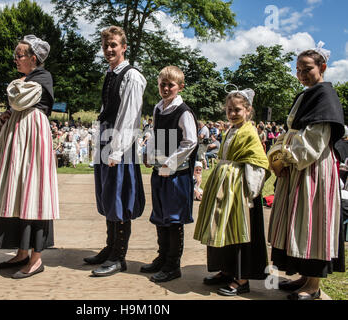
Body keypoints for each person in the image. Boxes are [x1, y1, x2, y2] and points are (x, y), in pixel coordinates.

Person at [267, 42, 345, 300]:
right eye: (298, 69)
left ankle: (313, 286)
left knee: (314, 222)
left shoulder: (325, 95)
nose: (301, 74)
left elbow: (315, 139)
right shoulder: (306, 94)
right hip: (298, 170)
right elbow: (291, 131)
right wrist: (276, 152)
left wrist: (286, 157)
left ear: (322, 67)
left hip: (314, 169)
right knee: (299, 223)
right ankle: (303, 277)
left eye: (307, 69)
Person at [0, 35, 59, 279]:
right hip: (18, 135)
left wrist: (15, 92)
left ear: (34, 58)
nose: (15, 59)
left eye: (19, 55)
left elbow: (18, 98)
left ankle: (36, 259)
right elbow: (15, 104)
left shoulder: (42, 76)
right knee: (18, 192)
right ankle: (21, 252)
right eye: (15, 55)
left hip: (32, 135)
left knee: (33, 192)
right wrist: (8, 113)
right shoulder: (28, 79)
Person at [194, 87, 270, 296]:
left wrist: (250, 192)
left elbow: (257, 163)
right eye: (229, 109)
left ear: (248, 110)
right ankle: (226, 270)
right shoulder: (230, 130)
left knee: (239, 233)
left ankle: (242, 278)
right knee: (221, 229)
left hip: (239, 190)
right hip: (224, 188)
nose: (233, 113)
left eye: (237, 109)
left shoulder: (249, 132)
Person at [84, 26, 146, 277]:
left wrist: (116, 151)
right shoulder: (110, 73)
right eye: (106, 45)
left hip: (119, 143)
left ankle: (119, 257)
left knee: (119, 198)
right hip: (106, 139)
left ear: (124, 47)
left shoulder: (132, 76)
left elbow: (129, 117)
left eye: (114, 45)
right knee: (108, 197)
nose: (109, 49)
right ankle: (110, 249)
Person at [141, 66, 198, 282]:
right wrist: (149, 154)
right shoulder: (158, 108)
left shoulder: (183, 112)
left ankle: (173, 264)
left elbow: (191, 141)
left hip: (176, 175)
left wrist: (170, 164)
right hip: (159, 171)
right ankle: (162, 257)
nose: (165, 88)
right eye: (162, 84)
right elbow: (155, 134)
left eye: (170, 85)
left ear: (180, 87)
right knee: (160, 216)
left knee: (174, 219)